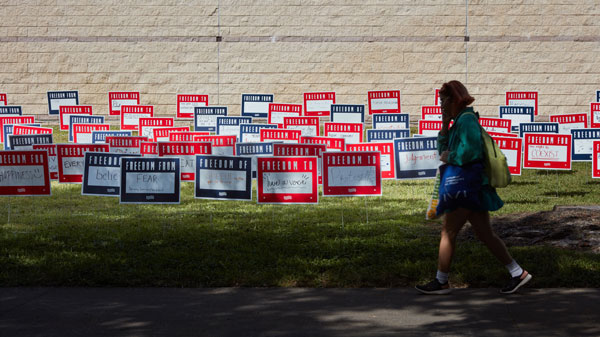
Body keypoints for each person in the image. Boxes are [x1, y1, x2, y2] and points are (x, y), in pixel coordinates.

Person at [415, 80, 532, 295]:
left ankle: (441, 281)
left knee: (448, 232)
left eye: (443, 100)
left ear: (453, 99)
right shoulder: (458, 121)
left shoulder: (467, 121)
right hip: (470, 186)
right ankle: (518, 273)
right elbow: (443, 148)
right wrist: (444, 125)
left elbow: (471, 153)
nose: (440, 104)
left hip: (465, 186)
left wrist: (451, 156)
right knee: (484, 233)